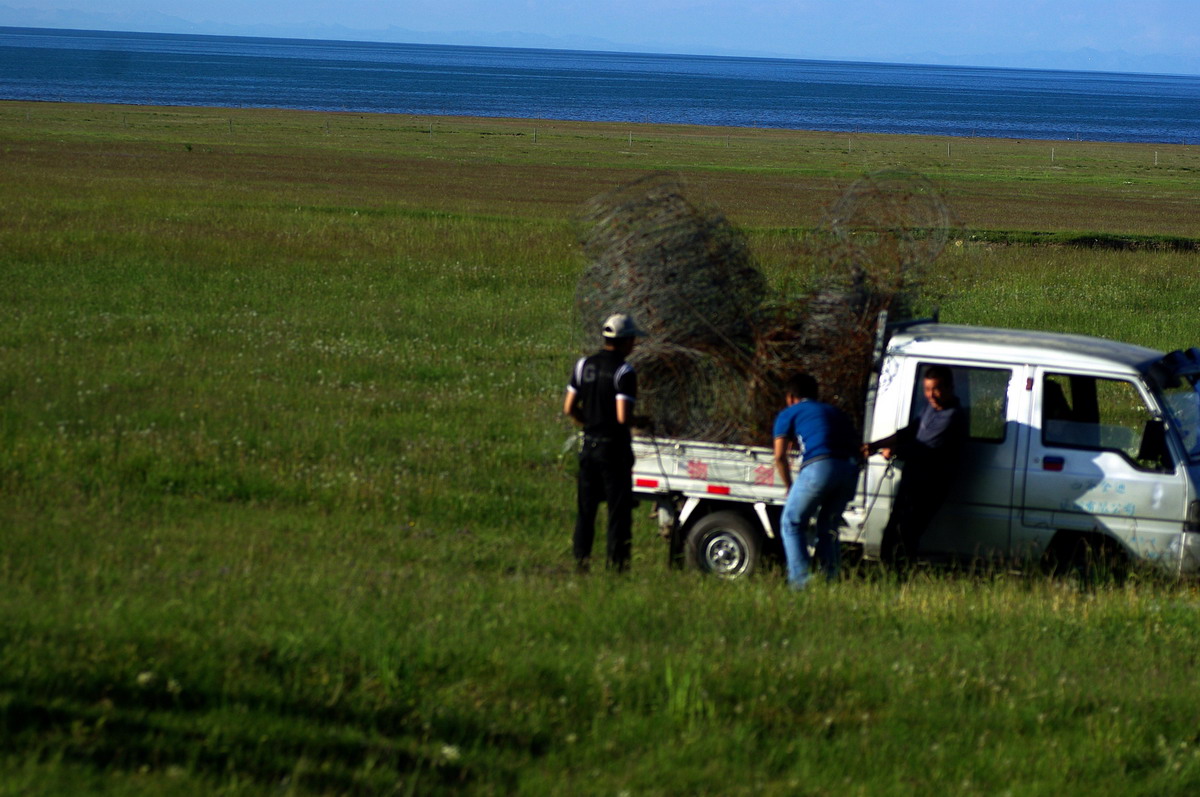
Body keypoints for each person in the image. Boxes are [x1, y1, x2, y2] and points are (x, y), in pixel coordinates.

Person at [863, 364, 968, 573]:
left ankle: (900, 577)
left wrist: (893, 451)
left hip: (929, 486)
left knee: (907, 533)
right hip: (912, 481)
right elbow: (909, 431)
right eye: (927, 389)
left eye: (936, 389)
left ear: (950, 387)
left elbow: (923, 448)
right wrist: (875, 444)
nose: (931, 395)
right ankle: (886, 575)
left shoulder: (953, 416)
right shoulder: (930, 408)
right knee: (893, 529)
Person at [563, 313, 647, 571]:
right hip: (614, 450)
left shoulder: (583, 365)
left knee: (586, 510)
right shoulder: (624, 371)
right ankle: (617, 567)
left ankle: (581, 563)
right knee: (618, 512)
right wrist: (642, 422)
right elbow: (623, 416)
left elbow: (569, 408)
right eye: (633, 339)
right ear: (625, 341)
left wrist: (588, 422)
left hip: (589, 446)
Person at [772, 373, 861, 589]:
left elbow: (779, 456)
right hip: (849, 470)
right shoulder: (836, 412)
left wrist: (789, 486)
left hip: (820, 468)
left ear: (791, 397)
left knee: (791, 523)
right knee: (828, 527)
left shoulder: (789, 413)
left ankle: (800, 584)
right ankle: (829, 581)